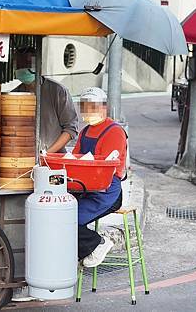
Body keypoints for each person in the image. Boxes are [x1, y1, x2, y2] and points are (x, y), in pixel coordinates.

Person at [73, 87, 127, 268]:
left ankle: (98, 244)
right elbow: (75, 160)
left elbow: (107, 168)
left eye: (93, 107)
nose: (88, 112)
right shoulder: (85, 132)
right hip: (84, 188)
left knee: (67, 220)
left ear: (104, 108)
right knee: (56, 214)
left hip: (106, 193)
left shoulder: (115, 131)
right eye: (85, 107)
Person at [12, 46, 78, 153]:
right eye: (20, 66)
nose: (22, 69)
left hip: (53, 158)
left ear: (39, 67)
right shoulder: (14, 95)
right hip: (22, 157)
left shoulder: (58, 91)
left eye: (27, 65)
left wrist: (48, 154)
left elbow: (70, 129)